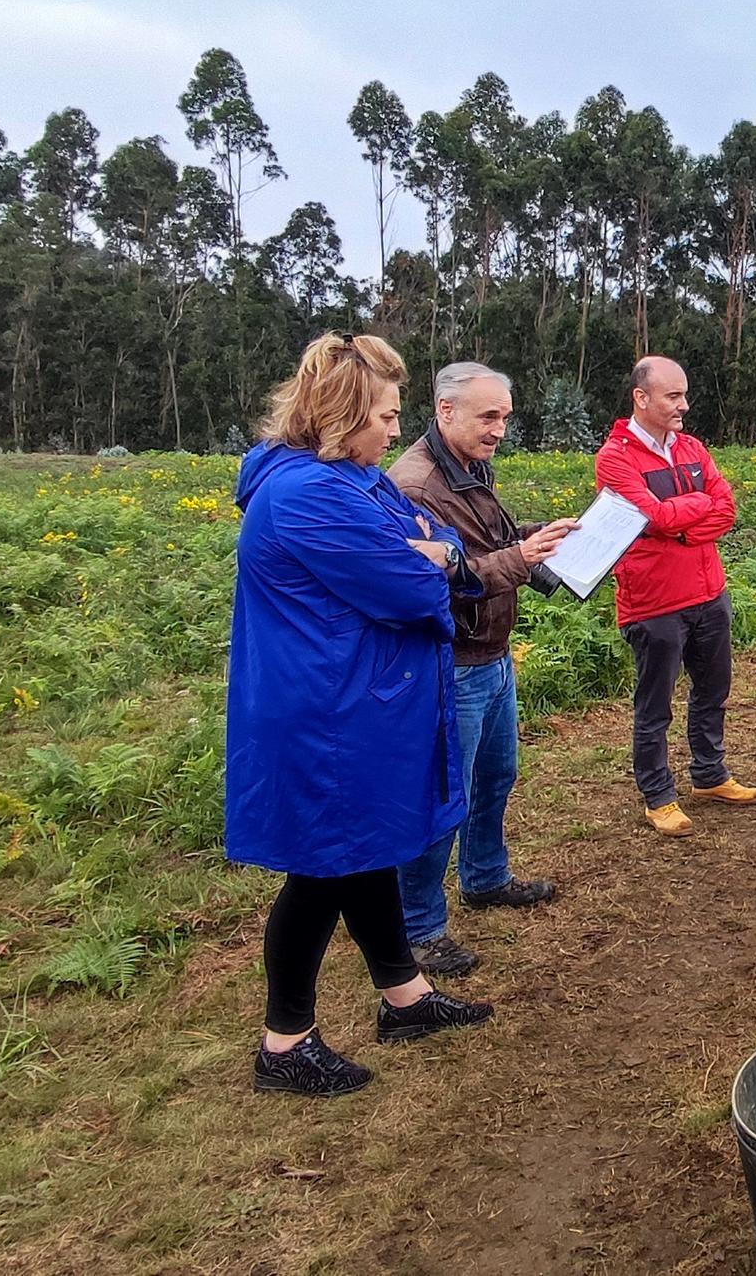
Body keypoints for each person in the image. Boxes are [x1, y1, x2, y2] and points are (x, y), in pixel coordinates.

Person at [228, 332, 493, 1098]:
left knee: (364, 851)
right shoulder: (306, 494)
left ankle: (403, 998)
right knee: (318, 872)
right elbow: (415, 588)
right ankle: (285, 1043)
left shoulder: (355, 479)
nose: (391, 429)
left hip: (353, 700)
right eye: (382, 415)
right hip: (324, 714)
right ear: (341, 417)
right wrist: (433, 560)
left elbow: (439, 544)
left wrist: (432, 550)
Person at [387, 362, 579, 977]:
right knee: (444, 796)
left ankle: (486, 877)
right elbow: (440, 580)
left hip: (491, 656)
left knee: (496, 776)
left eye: (504, 415)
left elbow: (480, 545)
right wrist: (521, 558)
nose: (500, 428)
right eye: (488, 416)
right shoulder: (416, 486)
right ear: (445, 411)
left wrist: (534, 538)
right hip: (452, 663)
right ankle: (418, 927)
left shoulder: (466, 467)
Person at [595, 356, 756, 838]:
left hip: (709, 591)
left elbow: (725, 508)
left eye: (684, 395)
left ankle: (709, 775)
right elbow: (652, 518)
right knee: (656, 706)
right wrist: (688, 515)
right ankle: (659, 796)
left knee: (713, 690)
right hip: (654, 602)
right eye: (673, 396)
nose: (684, 405)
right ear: (641, 398)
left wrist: (682, 527)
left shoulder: (691, 447)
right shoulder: (616, 459)